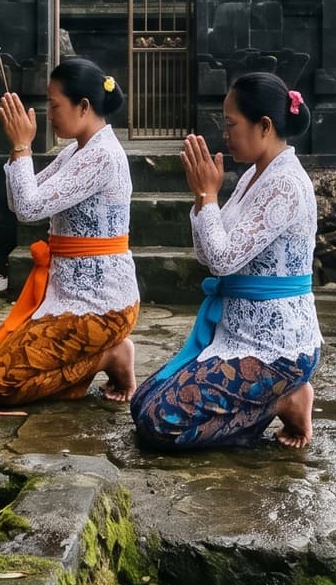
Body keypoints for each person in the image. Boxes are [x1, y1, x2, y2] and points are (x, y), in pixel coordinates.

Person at [129, 71, 320, 450]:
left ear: (264, 126)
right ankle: (276, 399)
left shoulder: (285, 184)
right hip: (235, 332)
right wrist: (203, 200)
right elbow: (208, 253)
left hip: (277, 347)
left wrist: (209, 195)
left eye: (231, 124)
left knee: (158, 424)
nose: (225, 134)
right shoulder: (255, 175)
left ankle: (284, 399)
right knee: (142, 403)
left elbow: (222, 260)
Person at [0, 58, 139, 405]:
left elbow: (28, 209)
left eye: (55, 105)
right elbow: (22, 202)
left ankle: (109, 355)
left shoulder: (102, 156)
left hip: (100, 305)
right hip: (64, 296)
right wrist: (18, 150)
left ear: (84, 106)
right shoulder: (77, 151)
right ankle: (104, 354)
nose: (49, 113)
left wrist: (22, 147)